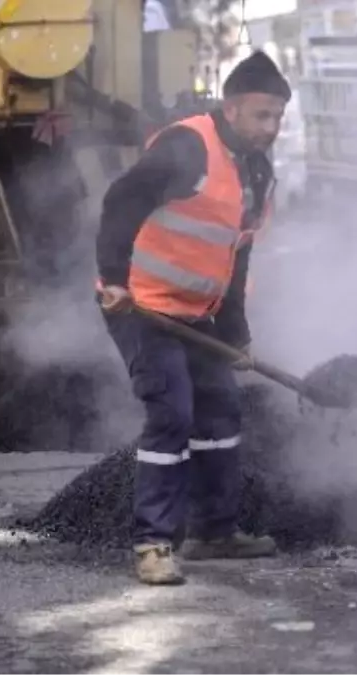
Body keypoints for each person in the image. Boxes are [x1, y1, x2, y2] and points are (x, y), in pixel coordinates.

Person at [94, 51, 288, 586]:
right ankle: (153, 544)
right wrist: (113, 279)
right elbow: (120, 201)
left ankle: (213, 531)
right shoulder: (189, 146)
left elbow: (235, 257)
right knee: (172, 412)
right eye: (261, 116)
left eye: (277, 117)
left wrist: (238, 335)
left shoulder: (257, 171)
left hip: (194, 312)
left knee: (220, 411)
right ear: (231, 109)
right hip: (140, 304)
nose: (271, 128)